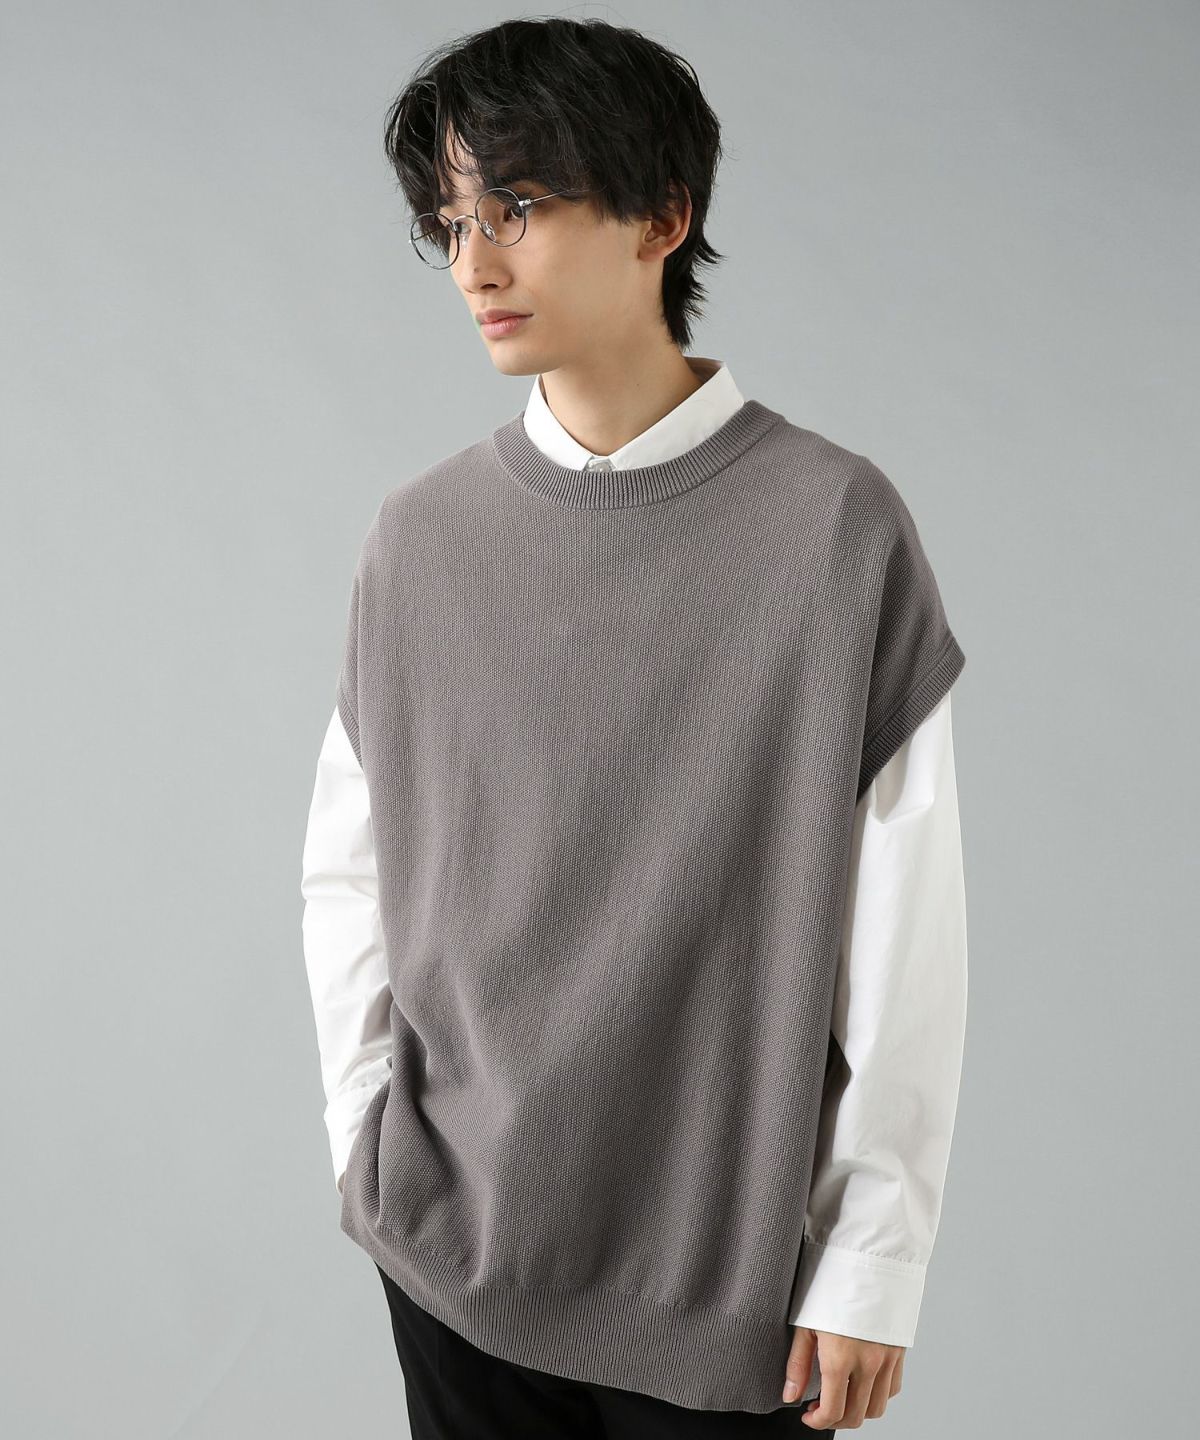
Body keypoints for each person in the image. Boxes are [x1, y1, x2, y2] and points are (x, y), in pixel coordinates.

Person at [300, 16, 968, 1438]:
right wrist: (367, 1135)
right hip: (451, 1251)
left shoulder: (832, 529)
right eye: (454, 223)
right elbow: (349, 874)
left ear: (664, 216)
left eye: (520, 209)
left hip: (723, 1280)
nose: (475, 265)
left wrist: (875, 1256)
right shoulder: (419, 540)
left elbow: (906, 925)